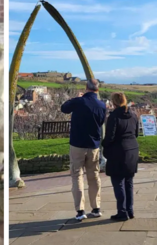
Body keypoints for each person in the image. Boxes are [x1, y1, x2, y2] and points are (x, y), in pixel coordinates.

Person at [61, 79, 106, 221]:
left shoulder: (79, 102)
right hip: (93, 145)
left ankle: (80, 211)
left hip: (77, 144)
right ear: (97, 90)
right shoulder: (102, 105)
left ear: (86, 88)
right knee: (94, 176)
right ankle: (96, 207)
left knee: (77, 176)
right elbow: (101, 122)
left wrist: (77, 98)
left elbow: (64, 108)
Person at [101, 92, 139, 221]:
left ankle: (122, 212)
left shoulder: (114, 116)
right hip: (132, 150)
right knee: (129, 182)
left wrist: (104, 145)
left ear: (114, 102)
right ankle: (130, 210)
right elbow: (136, 133)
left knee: (118, 183)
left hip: (118, 152)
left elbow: (110, 137)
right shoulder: (134, 115)